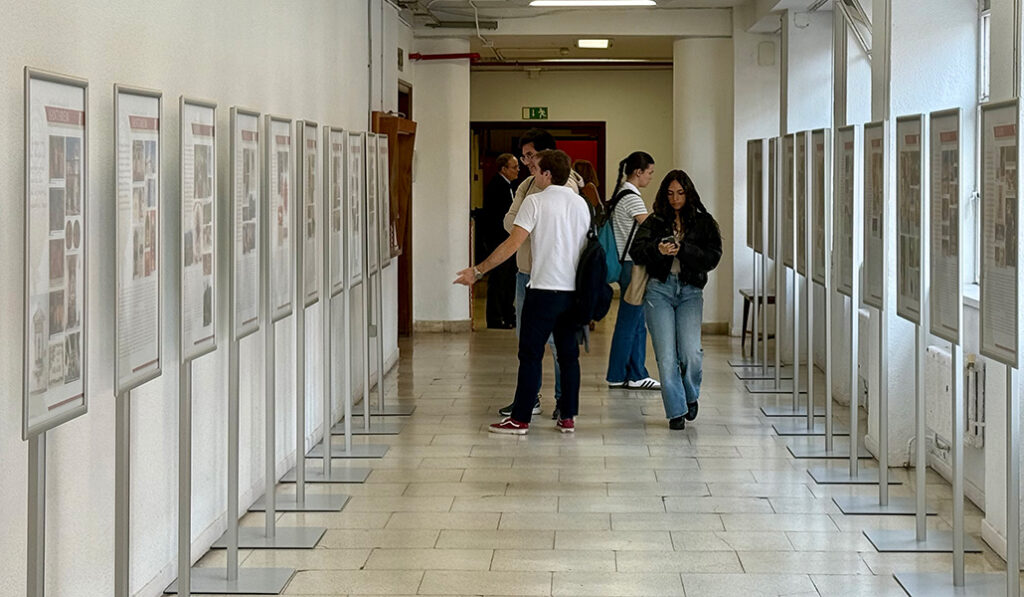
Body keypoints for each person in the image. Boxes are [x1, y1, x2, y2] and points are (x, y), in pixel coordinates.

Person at [455, 150, 589, 434]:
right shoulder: (580, 204)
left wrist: (478, 270)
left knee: (530, 354)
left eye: (536, 169)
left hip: (543, 290)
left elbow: (511, 245)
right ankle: (567, 417)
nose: (532, 172)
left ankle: (521, 418)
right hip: (572, 292)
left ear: (548, 174)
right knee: (568, 355)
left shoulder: (534, 202)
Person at [499, 129, 585, 419]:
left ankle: (563, 402)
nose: (526, 162)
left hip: (555, 279)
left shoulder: (566, 185)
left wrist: (529, 220)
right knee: (528, 344)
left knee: (561, 347)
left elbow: (556, 226)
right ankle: (529, 398)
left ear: (547, 156)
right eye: (523, 157)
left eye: (530, 156)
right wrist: (527, 220)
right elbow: (510, 222)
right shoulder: (527, 184)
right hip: (526, 272)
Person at [629, 170, 722, 430]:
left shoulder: (703, 222)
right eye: (670, 193)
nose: (675, 198)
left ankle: (690, 395)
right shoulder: (655, 220)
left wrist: (685, 250)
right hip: (659, 290)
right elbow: (637, 251)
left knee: (691, 352)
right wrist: (658, 250)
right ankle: (676, 411)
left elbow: (713, 257)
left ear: (689, 192)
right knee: (666, 355)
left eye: (680, 193)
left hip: (690, 291)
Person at [605, 152, 661, 391]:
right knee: (631, 322)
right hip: (633, 266)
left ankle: (632, 373)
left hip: (624, 263)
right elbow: (652, 229)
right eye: (649, 173)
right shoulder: (632, 198)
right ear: (638, 172)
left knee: (635, 322)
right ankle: (623, 374)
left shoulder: (620, 194)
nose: (650, 178)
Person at [481, 153, 519, 328]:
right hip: (499, 239)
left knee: (508, 279)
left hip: (506, 239)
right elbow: (497, 217)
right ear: (503, 169)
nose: (518, 170)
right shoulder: (497, 186)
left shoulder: (508, 185)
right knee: (499, 280)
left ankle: (508, 315)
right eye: (514, 167)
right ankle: (495, 318)